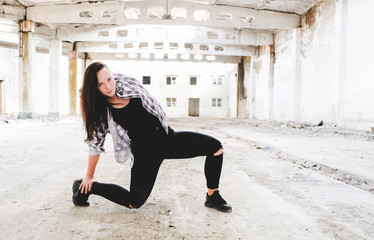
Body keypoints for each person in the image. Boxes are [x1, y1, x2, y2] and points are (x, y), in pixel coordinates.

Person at [72, 62, 232, 213]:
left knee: (215, 148)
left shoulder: (124, 82)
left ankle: (212, 196)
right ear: (95, 88)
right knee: (133, 202)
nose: (108, 86)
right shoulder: (101, 112)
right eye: (100, 84)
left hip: (168, 139)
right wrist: (89, 176)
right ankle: (88, 187)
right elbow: (95, 145)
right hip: (145, 153)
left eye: (109, 79)